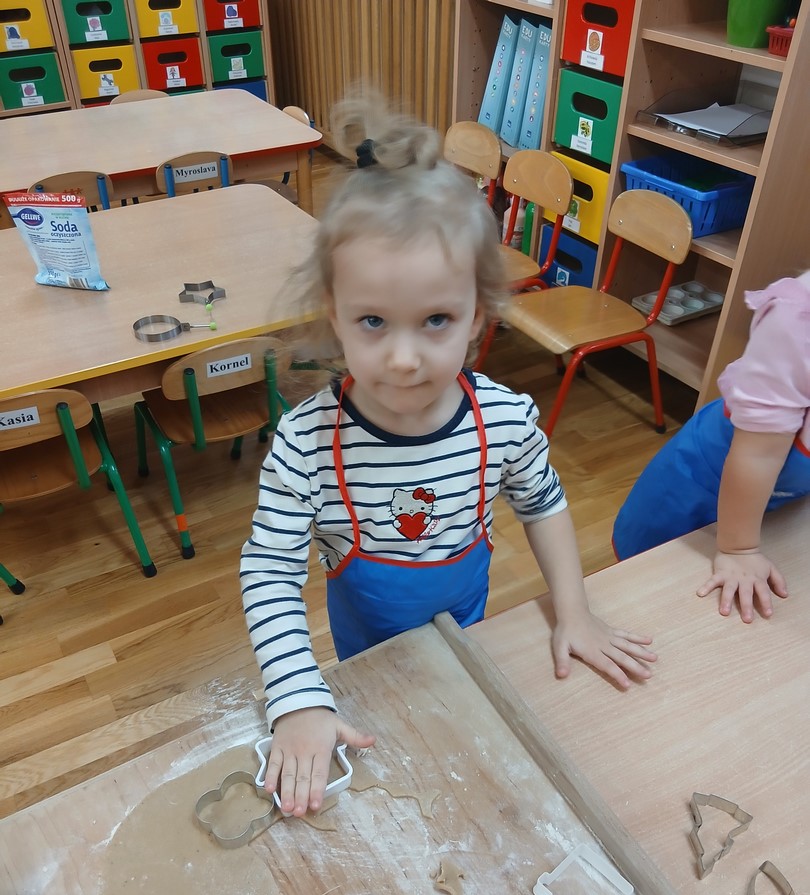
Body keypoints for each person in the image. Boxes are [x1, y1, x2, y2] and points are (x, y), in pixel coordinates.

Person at [240, 92, 657, 818]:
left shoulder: (504, 418)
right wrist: (298, 699)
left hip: (469, 628)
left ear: (476, 317)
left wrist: (575, 611)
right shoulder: (306, 443)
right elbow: (270, 569)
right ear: (335, 315)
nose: (404, 358)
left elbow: (544, 505)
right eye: (373, 321)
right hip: (365, 650)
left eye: (435, 319)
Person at [613, 269, 810, 622]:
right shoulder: (798, 325)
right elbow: (759, 454)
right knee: (647, 590)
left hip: (781, 498)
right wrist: (739, 549)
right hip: (704, 484)